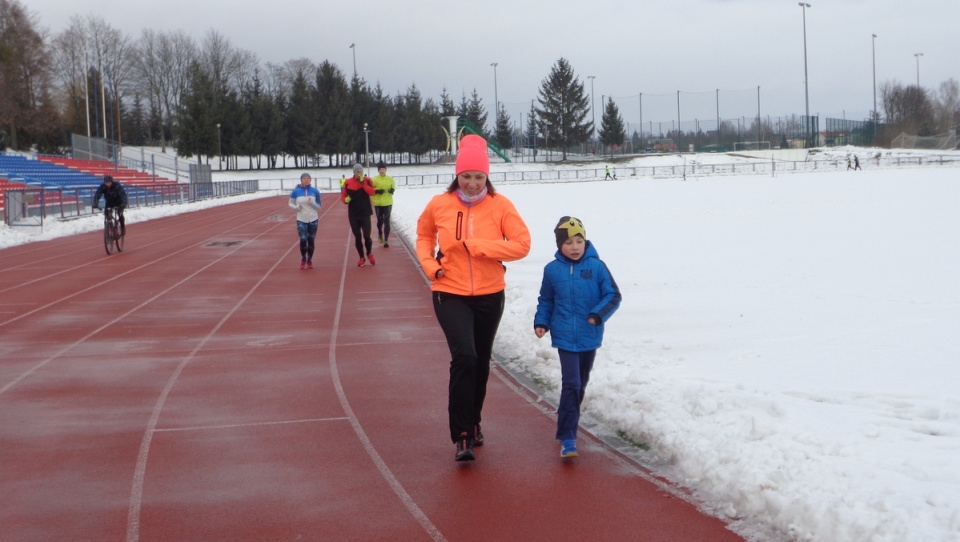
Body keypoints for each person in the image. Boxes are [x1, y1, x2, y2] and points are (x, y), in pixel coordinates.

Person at [416, 134, 532, 462]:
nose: (471, 183)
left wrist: (482, 247)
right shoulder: (439, 204)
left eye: (478, 177)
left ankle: (475, 421)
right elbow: (424, 235)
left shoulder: (501, 206)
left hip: (489, 295)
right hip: (448, 291)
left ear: (487, 176)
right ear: (456, 175)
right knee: (464, 357)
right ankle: (462, 434)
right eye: (465, 176)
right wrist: (429, 265)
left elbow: (522, 244)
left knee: (481, 362)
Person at [534, 216, 622, 459]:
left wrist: (597, 314)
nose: (574, 247)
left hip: (589, 334)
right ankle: (568, 437)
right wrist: (541, 321)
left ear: (586, 241)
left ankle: (566, 419)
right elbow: (547, 299)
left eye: (579, 241)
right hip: (564, 335)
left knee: (579, 384)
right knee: (571, 383)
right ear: (559, 244)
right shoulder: (551, 270)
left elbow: (613, 296)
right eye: (568, 242)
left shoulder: (597, 267)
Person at [341, 163, 376, 266]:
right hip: (353, 214)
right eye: (357, 171)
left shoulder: (368, 180)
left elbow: (372, 192)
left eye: (360, 171)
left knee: (367, 236)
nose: (359, 173)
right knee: (357, 237)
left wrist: (363, 183)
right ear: (354, 172)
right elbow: (343, 196)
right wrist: (345, 200)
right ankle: (361, 257)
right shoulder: (348, 183)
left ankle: (369, 253)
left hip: (365, 213)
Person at [289, 172, 322, 269]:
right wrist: (296, 207)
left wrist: (312, 203)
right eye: (304, 178)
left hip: (313, 219)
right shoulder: (296, 191)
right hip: (301, 219)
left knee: (311, 240)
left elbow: (319, 207)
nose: (306, 180)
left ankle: (310, 260)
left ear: (310, 180)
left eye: (308, 178)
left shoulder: (315, 191)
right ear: (301, 180)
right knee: (303, 239)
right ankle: (303, 258)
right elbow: (290, 203)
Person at [371, 161, 396, 247]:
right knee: (380, 221)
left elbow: (393, 186)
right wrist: (377, 191)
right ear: (378, 171)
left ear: (386, 170)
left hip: (388, 203)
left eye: (383, 169)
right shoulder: (374, 180)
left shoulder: (390, 179)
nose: (382, 171)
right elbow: (371, 190)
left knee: (387, 221)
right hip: (378, 203)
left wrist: (392, 190)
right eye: (380, 169)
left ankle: (386, 240)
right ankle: (380, 232)